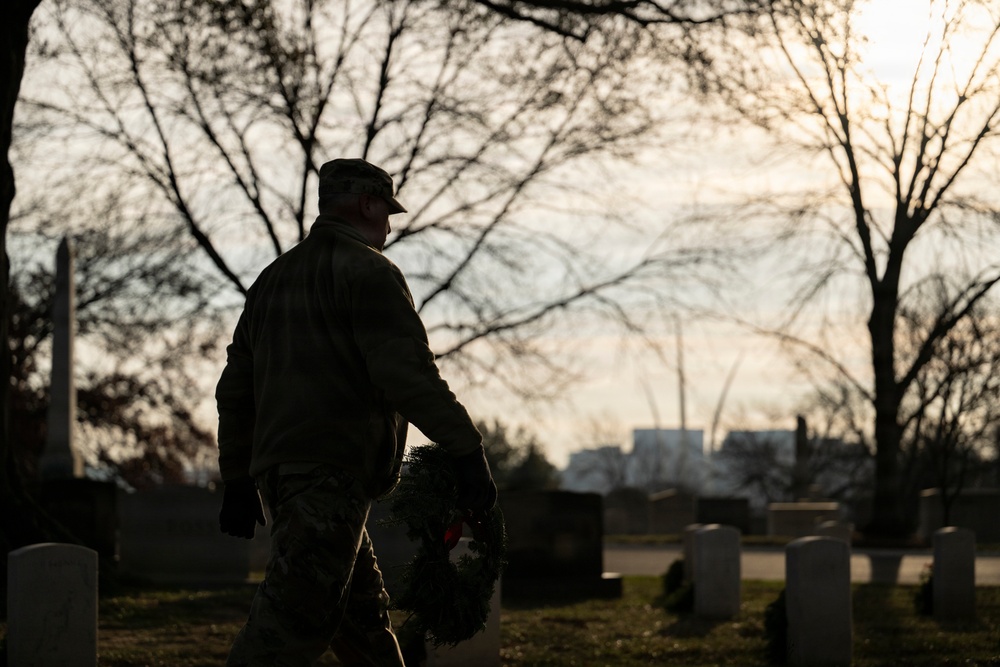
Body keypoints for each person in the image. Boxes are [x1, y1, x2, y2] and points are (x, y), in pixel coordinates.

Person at [215, 158, 497, 666]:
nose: (389, 225)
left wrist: (237, 479)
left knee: (363, 626)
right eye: (386, 211)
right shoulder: (369, 272)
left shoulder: (271, 280)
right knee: (287, 628)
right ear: (367, 204)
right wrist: (466, 448)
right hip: (330, 480)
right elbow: (407, 375)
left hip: (287, 480)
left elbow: (235, 391)